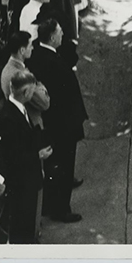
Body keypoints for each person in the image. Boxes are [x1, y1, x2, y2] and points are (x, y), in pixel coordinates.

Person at [28, 17, 87, 223]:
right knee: (63, 166)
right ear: (52, 37)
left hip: (52, 124)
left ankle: (49, 205)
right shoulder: (53, 63)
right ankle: (61, 209)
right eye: (60, 31)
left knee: (53, 167)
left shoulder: (39, 55)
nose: (63, 33)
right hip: (63, 125)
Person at [0, 70, 52, 244]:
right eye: (32, 91)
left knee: (26, 221)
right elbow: (13, 156)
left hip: (26, 180)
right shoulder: (9, 118)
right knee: (22, 224)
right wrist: (37, 155)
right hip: (21, 184)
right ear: (25, 93)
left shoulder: (16, 108)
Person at [0, 30, 50, 130]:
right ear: (22, 50)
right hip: (31, 126)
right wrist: (39, 85)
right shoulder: (19, 74)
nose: (32, 48)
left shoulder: (7, 69)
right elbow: (45, 103)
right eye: (30, 45)